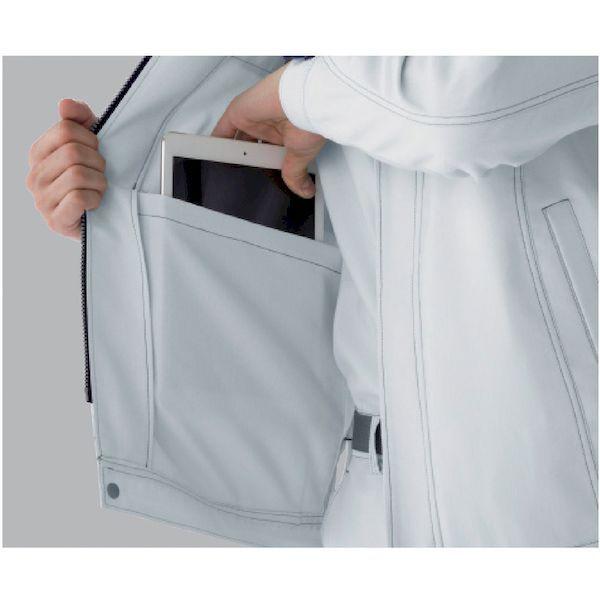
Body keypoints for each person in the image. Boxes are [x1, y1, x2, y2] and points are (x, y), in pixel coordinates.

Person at [26, 57, 598, 546]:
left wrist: (296, 94)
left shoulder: (316, 82)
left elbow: (458, 108)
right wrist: (123, 207)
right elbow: (306, 191)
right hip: (370, 505)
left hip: (552, 498)